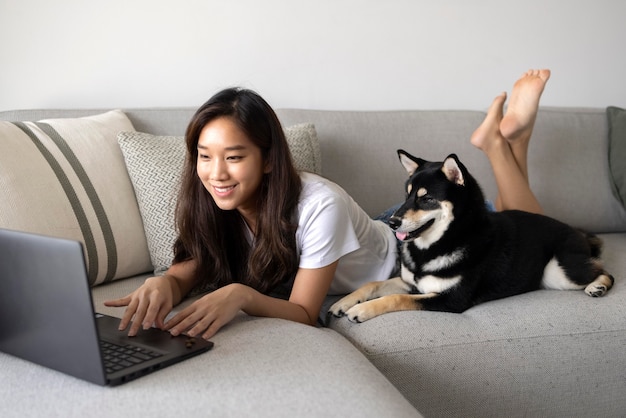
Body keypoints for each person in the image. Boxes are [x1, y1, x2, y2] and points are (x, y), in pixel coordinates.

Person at [105, 69, 551, 340]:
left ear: (267, 160)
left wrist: (241, 295)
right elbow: (201, 257)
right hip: (372, 230)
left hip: (403, 249)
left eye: (234, 157)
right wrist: (169, 283)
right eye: (205, 156)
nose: (216, 173)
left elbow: (302, 314)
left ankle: (496, 145)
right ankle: (511, 138)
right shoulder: (215, 197)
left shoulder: (320, 205)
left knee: (524, 228)